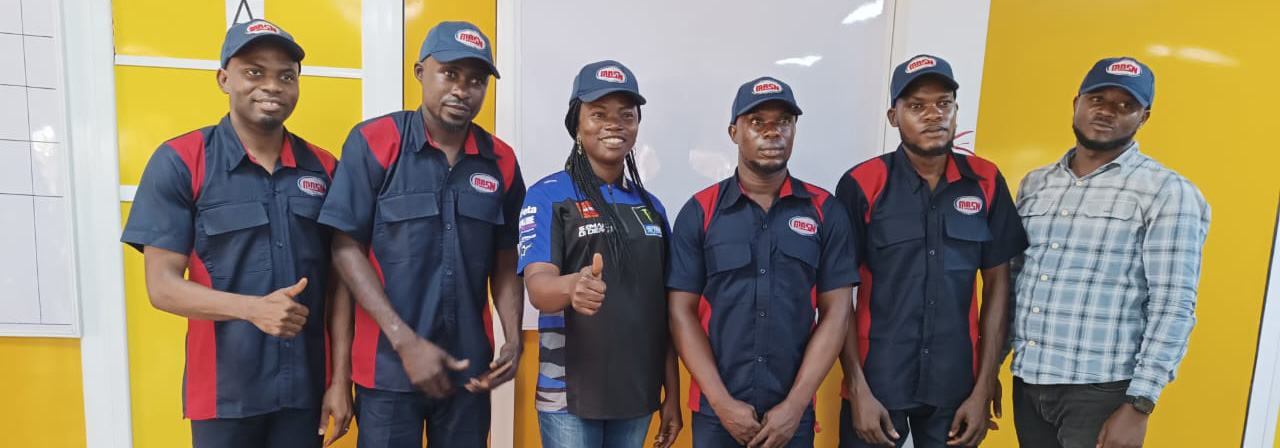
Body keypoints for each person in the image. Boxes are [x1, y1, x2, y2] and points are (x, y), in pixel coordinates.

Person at [120, 19, 354, 448]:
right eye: (254, 72)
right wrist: (252, 309)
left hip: (304, 391)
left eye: (286, 76)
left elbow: (341, 285)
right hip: (223, 394)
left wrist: (340, 381)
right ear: (224, 79)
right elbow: (162, 287)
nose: (272, 86)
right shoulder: (182, 160)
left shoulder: (325, 168)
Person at [317, 21, 525, 448]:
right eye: (449, 74)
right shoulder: (374, 142)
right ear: (420, 72)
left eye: (476, 80)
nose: (462, 90)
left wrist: (514, 336)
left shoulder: (501, 160)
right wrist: (405, 341)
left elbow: (506, 259)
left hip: (468, 371)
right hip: (387, 370)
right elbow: (345, 249)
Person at [1008, 57, 1210, 448]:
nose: (1106, 112)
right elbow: (1016, 280)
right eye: (1097, 99)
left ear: (1143, 117)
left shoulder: (1166, 192)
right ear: (1077, 103)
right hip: (1029, 382)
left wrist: (1140, 404)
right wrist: (989, 374)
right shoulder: (1036, 184)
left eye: (1125, 105)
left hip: (1101, 392)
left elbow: (1174, 305)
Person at [834, 54, 1028, 448]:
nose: (933, 115)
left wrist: (984, 385)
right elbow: (837, 297)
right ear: (894, 117)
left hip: (955, 384)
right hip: (878, 380)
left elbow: (997, 288)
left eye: (943, 103)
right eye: (917, 106)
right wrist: (857, 388)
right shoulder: (863, 183)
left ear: (956, 110)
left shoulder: (986, 181)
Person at [667, 76, 858, 448]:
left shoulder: (826, 212)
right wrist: (722, 404)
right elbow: (680, 312)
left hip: (792, 416)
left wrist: (795, 405)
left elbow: (836, 312)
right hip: (715, 414)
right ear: (734, 132)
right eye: (757, 122)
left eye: (783, 122)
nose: (772, 132)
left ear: (794, 129)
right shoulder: (700, 211)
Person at [518, 60, 682, 448]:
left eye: (627, 115)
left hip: (637, 393)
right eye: (599, 114)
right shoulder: (548, 195)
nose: (615, 124)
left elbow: (664, 311)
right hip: (568, 396)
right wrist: (572, 286)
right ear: (576, 123)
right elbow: (538, 288)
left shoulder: (651, 207)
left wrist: (671, 395)